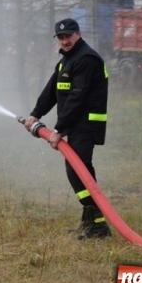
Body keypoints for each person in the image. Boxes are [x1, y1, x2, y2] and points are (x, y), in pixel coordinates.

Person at [24, 18, 111, 239]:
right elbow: (52, 91)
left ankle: (98, 225)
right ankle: (91, 220)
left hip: (86, 124)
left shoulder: (87, 59)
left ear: (78, 35)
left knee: (78, 170)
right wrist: (36, 114)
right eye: (61, 37)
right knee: (79, 170)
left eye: (68, 36)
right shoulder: (66, 61)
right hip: (76, 125)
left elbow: (76, 97)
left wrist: (59, 129)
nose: (65, 41)